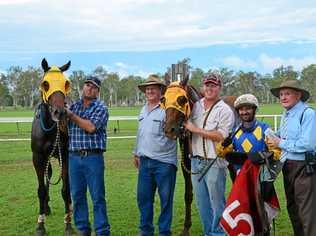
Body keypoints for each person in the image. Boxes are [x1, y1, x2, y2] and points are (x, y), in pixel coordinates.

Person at [184, 72, 235, 236]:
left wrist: (195, 130)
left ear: (219, 88)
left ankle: (219, 233)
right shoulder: (195, 106)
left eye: (213, 86)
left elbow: (221, 135)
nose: (210, 88)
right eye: (207, 85)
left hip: (214, 163)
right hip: (196, 161)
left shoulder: (225, 110)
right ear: (202, 87)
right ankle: (209, 232)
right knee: (202, 203)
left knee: (217, 203)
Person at [267, 80, 316, 236]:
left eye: (287, 93)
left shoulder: (308, 114)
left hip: (304, 167)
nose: (283, 97)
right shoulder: (286, 114)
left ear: (298, 95)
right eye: (281, 94)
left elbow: (307, 144)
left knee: (307, 212)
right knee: (293, 208)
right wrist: (272, 135)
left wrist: (279, 142)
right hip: (287, 165)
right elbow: (284, 134)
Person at [133, 74, 177, 236]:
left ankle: (165, 231)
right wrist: (135, 153)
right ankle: (146, 231)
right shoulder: (143, 109)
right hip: (144, 162)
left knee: (166, 201)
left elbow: (174, 132)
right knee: (143, 200)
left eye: (153, 88)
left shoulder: (168, 109)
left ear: (161, 91)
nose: (149, 91)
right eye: (147, 89)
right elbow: (140, 133)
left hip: (164, 163)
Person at [66, 76, 110, 236]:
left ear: (97, 92)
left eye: (93, 87)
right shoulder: (73, 106)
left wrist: (70, 115)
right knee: (77, 196)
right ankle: (83, 230)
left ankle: (102, 231)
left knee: (97, 197)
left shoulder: (101, 108)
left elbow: (90, 127)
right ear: (83, 87)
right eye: (87, 85)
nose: (89, 89)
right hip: (74, 158)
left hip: (93, 158)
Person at [218, 94, 279, 181]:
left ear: (254, 110)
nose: (244, 112)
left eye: (248, 109)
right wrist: (223, 147)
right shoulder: (235, 131)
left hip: (261, 177)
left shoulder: (265, 129)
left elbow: (277, 151)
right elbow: (222, 153)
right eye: (241, 109)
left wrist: (265, 156)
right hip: (240, 178)